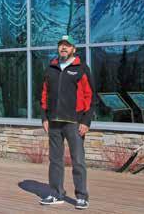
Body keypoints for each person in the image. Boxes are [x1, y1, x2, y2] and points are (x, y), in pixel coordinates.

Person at [39, 35, 95, 210]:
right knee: (55, 160)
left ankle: (81, 196)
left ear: (73, 49)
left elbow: (90, 96)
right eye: (61, 45)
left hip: (74, 122)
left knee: (78, 160)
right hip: (54, 122)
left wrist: (86, 121)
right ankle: (56, 193)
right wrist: (44, 117)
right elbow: (43, 94)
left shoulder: (81, 68)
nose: (63, 48)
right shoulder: (51, 68)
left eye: (67, 45)